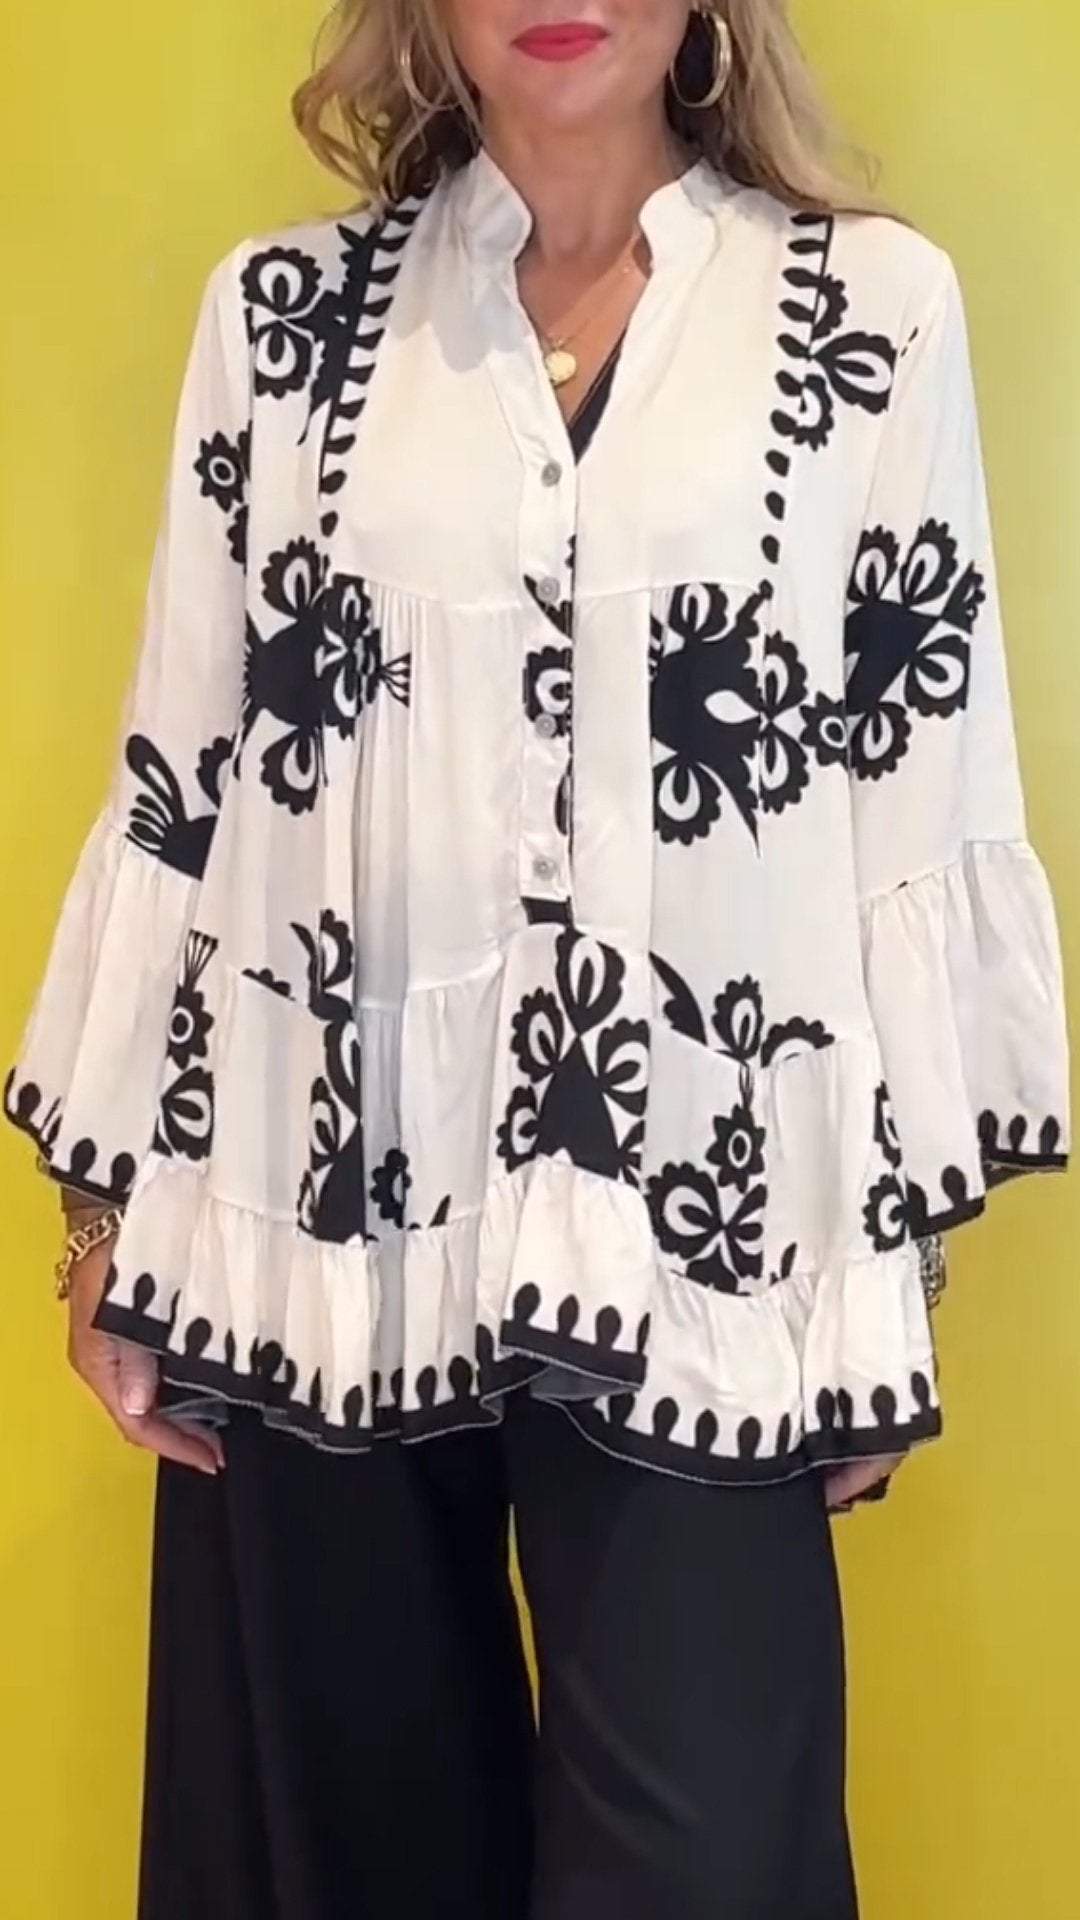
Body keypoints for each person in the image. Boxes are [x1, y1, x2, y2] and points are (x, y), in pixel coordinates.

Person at [5, 2, 1070, 1915]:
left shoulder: (869, 319)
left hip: (709, 1244)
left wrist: (881, 1271)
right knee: (345, 1857)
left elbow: (915, 788)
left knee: (698, 1857)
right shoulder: (283, 326)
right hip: (315, 1228)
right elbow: (191, 774)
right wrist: (108, 1210)